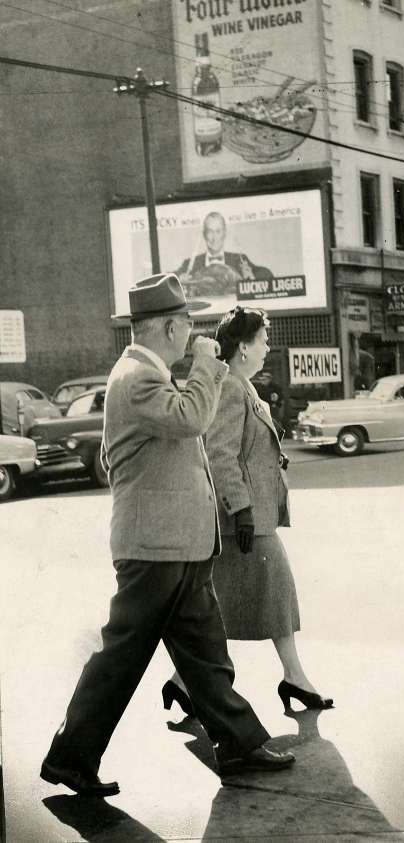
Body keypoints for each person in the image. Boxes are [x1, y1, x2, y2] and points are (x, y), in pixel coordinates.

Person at [40, 273, 295, 798]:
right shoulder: (136, 376)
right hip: (154, 550)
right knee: (120, 659)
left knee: (206, 655)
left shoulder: (146, 373)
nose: (193, 336)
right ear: (171, 327)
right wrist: (207, 365)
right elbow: (192, 418)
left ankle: (240, 744)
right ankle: (70, 757)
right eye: (188, 327)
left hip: (179, 546)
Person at [163, 305, 332, 717]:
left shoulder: (244, 385)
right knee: (271, 592)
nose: (268, 347)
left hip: (250, 517)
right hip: (243, 520)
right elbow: (219, 454)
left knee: (226, 602)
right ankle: (291, 677)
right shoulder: (230, 387)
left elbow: (243, 447)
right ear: (242, 347)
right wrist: (240, 508)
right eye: (263, 340)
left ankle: (185, 682)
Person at [176, 212, 272, 282]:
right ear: (204, 234)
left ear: (224, 233)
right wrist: (179, 281)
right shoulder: (190, 264)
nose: (214, 238)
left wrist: (252, 277)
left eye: (218, 231)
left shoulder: (239, 260)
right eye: (210, 232)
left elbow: (266, 274)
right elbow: (168, 279)